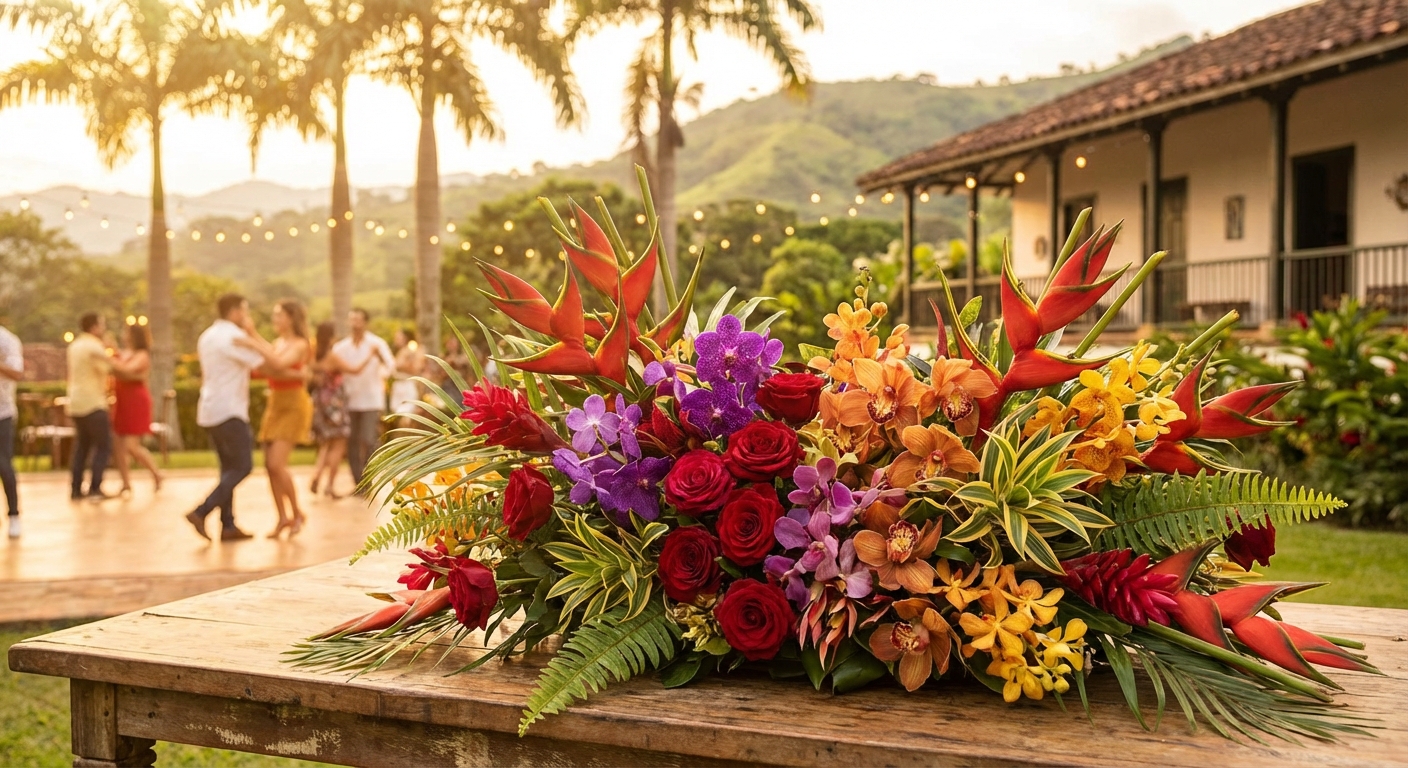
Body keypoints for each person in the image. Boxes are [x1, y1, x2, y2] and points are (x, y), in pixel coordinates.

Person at [184, 294, 264, 542]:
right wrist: (254, 336)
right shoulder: (233, 336)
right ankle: (201, 511)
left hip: (210, 409)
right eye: (245, 310)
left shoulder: (207, 335)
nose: (246, 316)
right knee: (242, 466)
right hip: (230, 409)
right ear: (235, 311)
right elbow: (261, 361)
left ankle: (228, 525)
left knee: (228, 469)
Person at [237, 299, 313, 538]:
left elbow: (276, 362)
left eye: (279, 315)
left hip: (293, 404)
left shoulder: (301, 343)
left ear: (291, 318)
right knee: (269, 467)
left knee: (276, 464)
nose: (275, 320)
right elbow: (269, 363)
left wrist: (252, 342)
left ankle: (297, 513)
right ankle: (282, 517)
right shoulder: (280, 343)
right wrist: (255, 337)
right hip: (276, 402)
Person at [331, 308, 393, 490]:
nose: (355, 324)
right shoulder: (341, 347)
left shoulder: (377, 344)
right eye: (352, 320)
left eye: (358, 320)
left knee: (368, 438)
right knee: (351, 442)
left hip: (371, 400)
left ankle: (368, 478)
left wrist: (379, 377)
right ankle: (358, 483)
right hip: (349, 401)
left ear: (365, 322)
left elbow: (390, 367)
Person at [307, 322, 369, 500]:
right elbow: (355, 370)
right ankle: (329, 486)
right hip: (335, 403)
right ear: (331, 337)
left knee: (326, 443)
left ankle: (317, 476)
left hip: (320, 402)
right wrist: (370, 355)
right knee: (339, 444)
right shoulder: (332, 356)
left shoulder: (314, 356)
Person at [110, 321, 163, 495]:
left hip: (136, 401)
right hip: (122, 400)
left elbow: (126, 371)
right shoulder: (123, 353)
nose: (124, 336)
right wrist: (123, 372)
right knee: (118, 443)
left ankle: (156, 473)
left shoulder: (142, 354)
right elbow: (124, 372)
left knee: (132, 446)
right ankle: (126, 483)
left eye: (127, 333)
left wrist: (115, 366)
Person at [66, 312, 113, 501]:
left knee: (82, 447)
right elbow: (107, 369)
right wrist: (110, 350)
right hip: (93, 402)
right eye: (101, 325)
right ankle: (95, 487)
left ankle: (76, 489)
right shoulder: (94, 346)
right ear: (94, 327)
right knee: (103, 446)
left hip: (75, 402)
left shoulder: (75, 345)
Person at [0, 319, 22, 538]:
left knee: (4, 464)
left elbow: (17, 373)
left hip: (2, 414)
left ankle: (14, 514)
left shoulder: (6, 340)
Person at [389, 328, 427, 428]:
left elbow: (417, 368)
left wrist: (405, 363)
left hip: (408, 385)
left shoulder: (415, 350)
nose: (395, 339)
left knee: (406, 415)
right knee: (396, 414)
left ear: (405, 338)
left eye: (398, 337)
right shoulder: (397, 351)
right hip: (397, 385)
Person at [436, 334, 474, 407]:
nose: (452, 345)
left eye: (454, 343)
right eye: (450, 343)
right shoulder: (443, 357)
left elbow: (466, 363)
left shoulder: (463, 356)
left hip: (462, 385)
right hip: (448, 386)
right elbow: (440, 374)